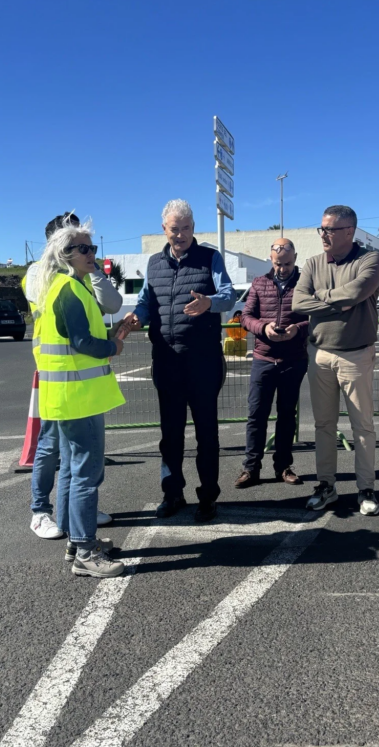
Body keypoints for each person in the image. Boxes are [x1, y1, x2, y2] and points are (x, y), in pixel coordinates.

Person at [121, 199, 236, 522]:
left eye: (187, 228)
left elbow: (229, 295)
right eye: (175, 229)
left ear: (193, 228)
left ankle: (208, 496)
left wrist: (209, 302)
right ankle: (172, 493)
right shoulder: (154, 264)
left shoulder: (209, 258)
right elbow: (146, 302)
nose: (181, 234)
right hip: (166, 361)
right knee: (170, 434)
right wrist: (136, 317)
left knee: (206, 434)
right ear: (164, 229)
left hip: (203, 362)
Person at [32, 218, 127, 577]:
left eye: (93, 248)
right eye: (84, 248)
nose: (92, 254)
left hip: (66, 397)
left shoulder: (60, 286)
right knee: (86, 473)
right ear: (65, 253)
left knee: (73, 472)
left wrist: (112, 336)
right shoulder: (69, 290)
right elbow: (82, 342)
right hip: (79, 398)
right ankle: (86, 552)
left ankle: (77, 542)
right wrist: (113, 346)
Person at [292, 205, 379, 516]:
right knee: (323, 425)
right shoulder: (313, 263)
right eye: (322, 228)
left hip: (357, 354)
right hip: (319, 354)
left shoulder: (370, 259)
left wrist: (321, 297)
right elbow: (298, 302)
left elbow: (357, 292)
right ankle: (326, 486)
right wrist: (338, 302)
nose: (323, 234)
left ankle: (366, 488)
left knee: (362, 426)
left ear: (349, 232)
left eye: (330, 229)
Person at [234, 238, 308, 488]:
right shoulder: (259, 283)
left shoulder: (305, 283)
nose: (282, 268)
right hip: (263, 359)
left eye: (287, 263)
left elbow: (315, 317)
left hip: (293, 359)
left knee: (287, 416)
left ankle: (283, 467)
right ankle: (251, 468)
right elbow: (245, 317)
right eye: (277, 263)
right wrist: (264, 328)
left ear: (295, 258)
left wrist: (297, 329)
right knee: (256, 415)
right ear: (271, 259)